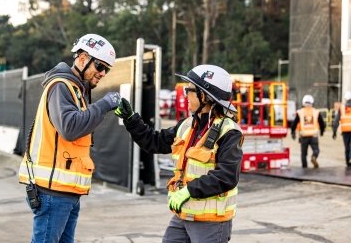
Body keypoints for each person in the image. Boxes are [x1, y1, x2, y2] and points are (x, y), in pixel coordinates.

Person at [115, 64, 244, 243]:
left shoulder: (229, 132)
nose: (185, 94)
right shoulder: (187, 125)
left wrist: (188, 191)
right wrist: (131, 120)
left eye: (189, 90)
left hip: (211, 222)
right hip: (184, 214)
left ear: (205, 96)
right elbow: (155, 142)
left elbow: (227, 175)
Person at [18, 33, 121, 243]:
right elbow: (70, 128)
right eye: (100, 66)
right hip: (53, 192)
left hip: (67, 192)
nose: (102, 73)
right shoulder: (61, 86)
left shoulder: (76, 89)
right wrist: (103, 105)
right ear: (82, 58)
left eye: (107, 70)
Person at [291, 94, 326, 168]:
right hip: (314, 135)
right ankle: (314, 157)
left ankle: (304, 168)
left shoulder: (300, 112)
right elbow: (322, 123)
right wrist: (322, 131)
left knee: (304, 154)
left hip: (304, 136)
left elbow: (294, 123)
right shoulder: (316, 112)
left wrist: (292, 132)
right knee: (316, 150)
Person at [332, 91, 351, 167]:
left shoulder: (342, 108)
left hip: (345, 131)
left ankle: (347, 161)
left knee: (347, 147)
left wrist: (334, 131)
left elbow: (336, 120)